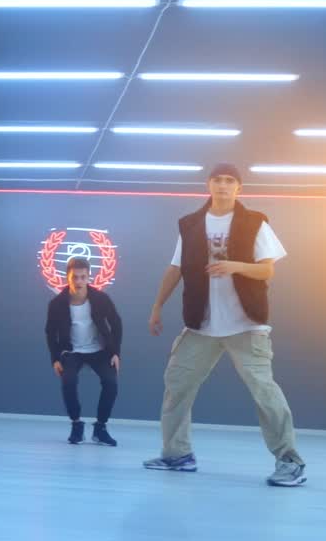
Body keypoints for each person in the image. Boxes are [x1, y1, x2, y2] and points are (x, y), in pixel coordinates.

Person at [143, 163, 307, 487]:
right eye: (217, 180)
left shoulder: (255, 222)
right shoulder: (190, 225)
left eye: (230, 181)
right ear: (208, 185)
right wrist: (157, 306)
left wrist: (235, 266)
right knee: (176, 385)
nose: (223, 185)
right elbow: (175, 269)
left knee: (264, 392)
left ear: (238, 188)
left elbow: (266, 271)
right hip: (201, 326)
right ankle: (177, 454)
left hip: (246, 325)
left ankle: (289, 461)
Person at [45, 256, 122, 445]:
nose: (79, 281)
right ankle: (76, 425)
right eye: (75, 277)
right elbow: (50, 332)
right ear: (67, 278)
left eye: (83, 277)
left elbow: (116, 324)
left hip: (99, 351)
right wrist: (55, 358)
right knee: (68, 381)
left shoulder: (101, 299)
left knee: (111, 382)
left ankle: (101, 428)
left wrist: (115, 353)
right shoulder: (57, 303)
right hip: (71, 352)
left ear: (89, 277)